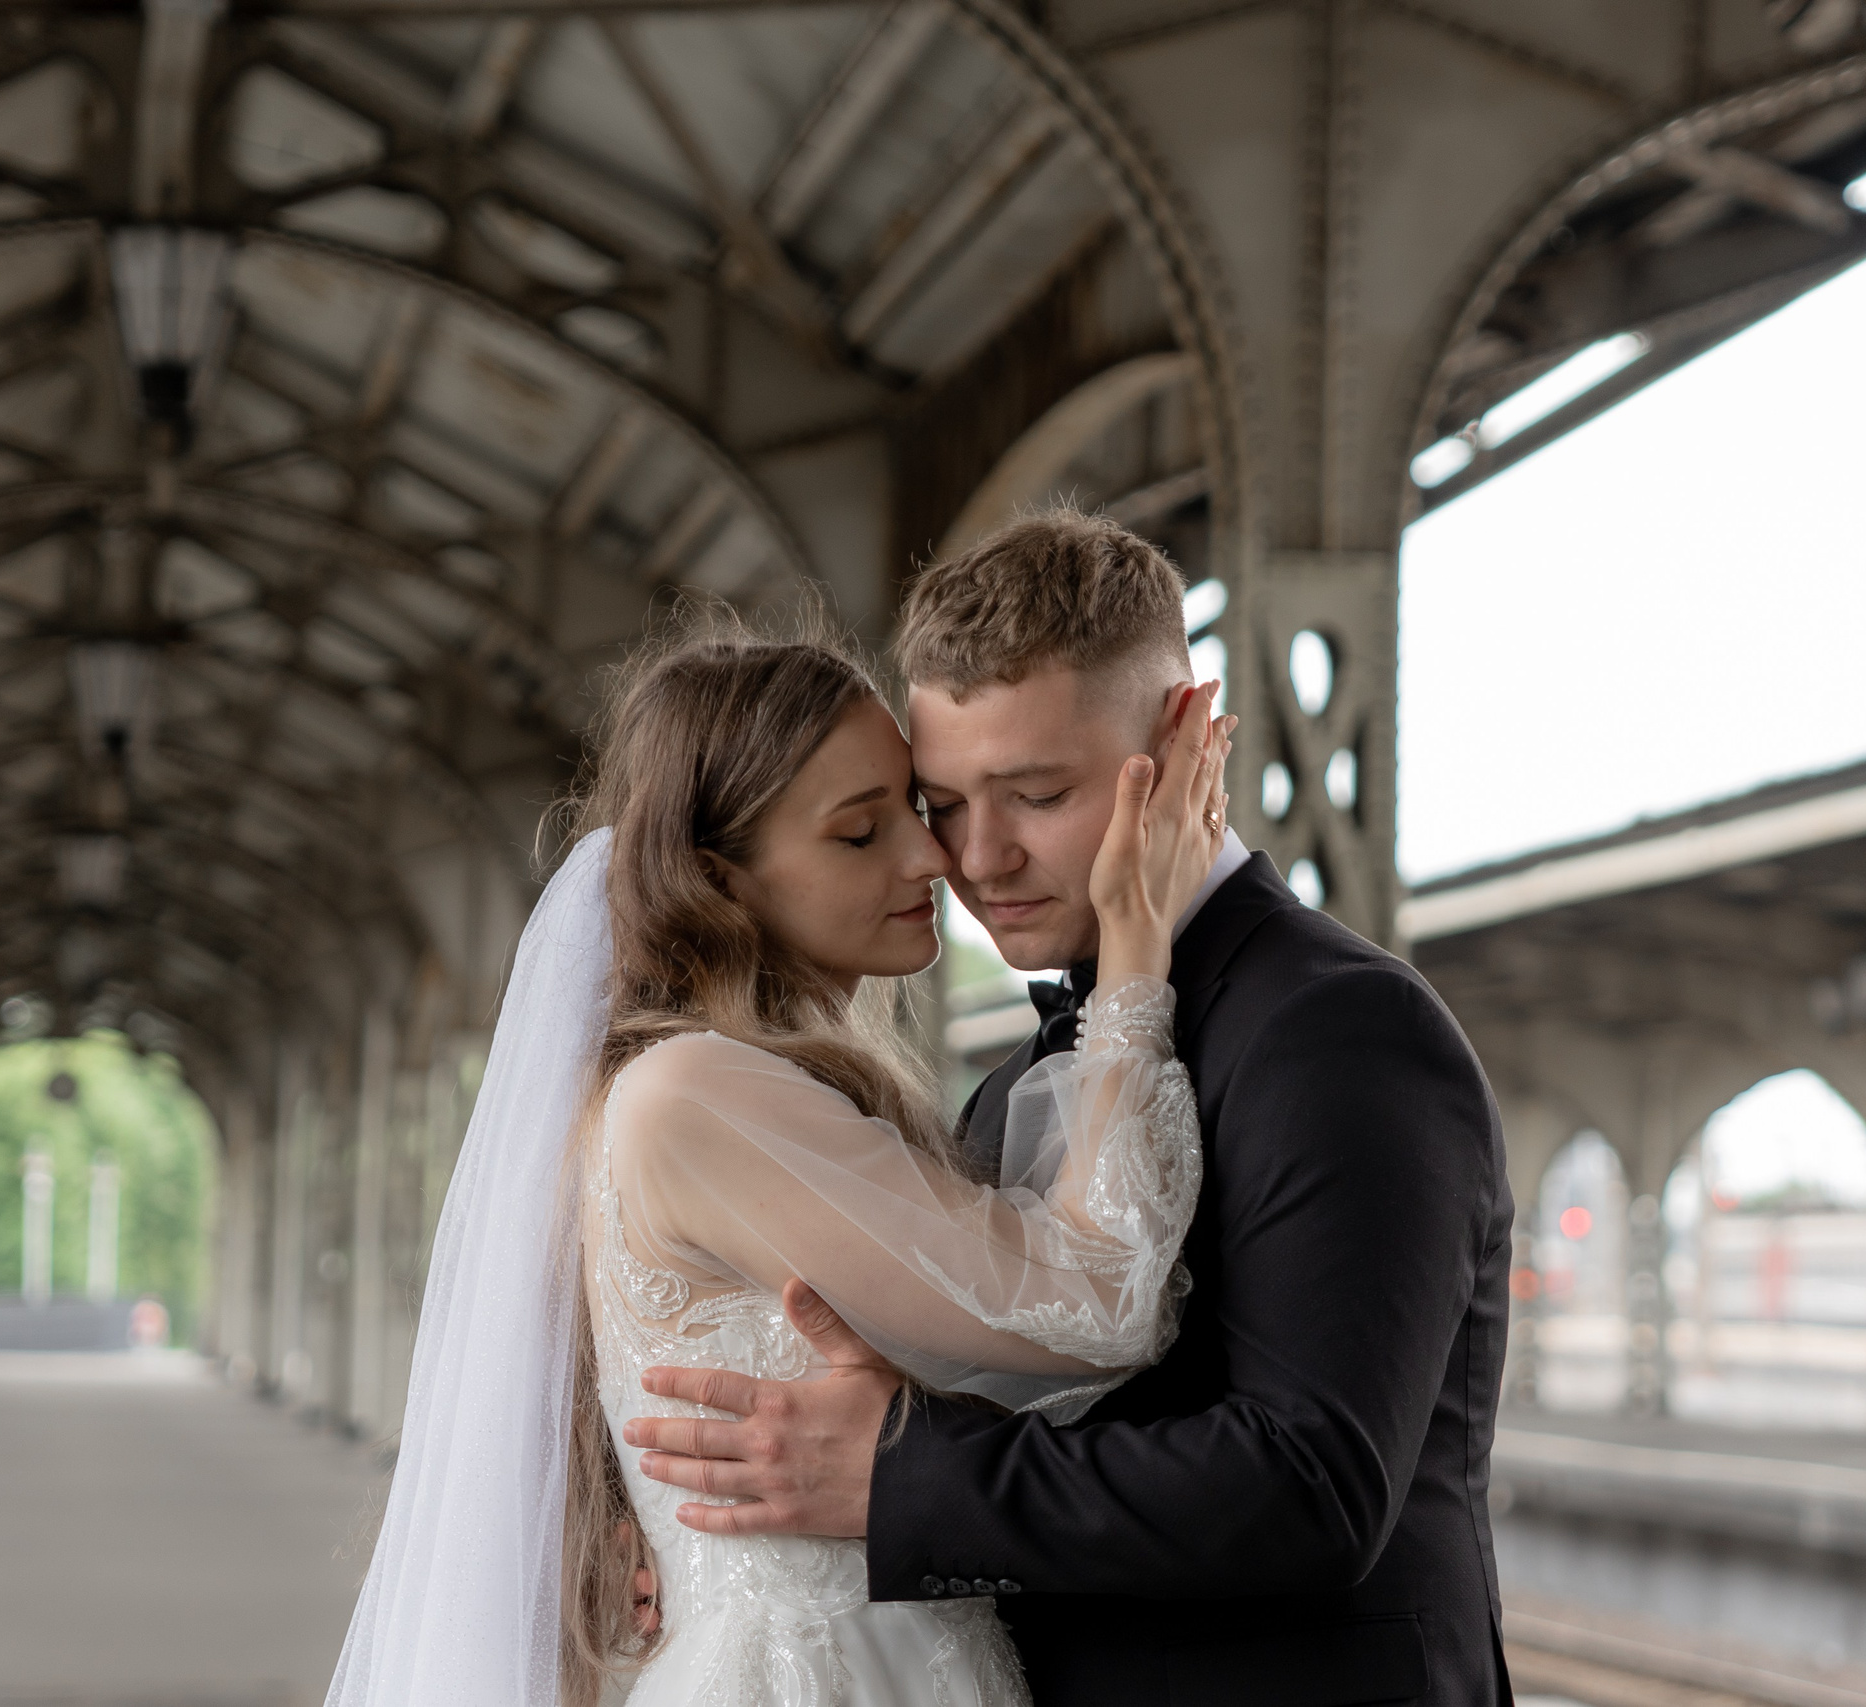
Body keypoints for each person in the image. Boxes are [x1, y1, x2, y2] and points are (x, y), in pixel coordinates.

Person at [625, 510, 1517, 1707]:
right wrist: (750, 1534)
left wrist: (892, 1486)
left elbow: (1312, 1484)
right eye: (941, 802)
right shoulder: (1016, 1087)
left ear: (1187, 735)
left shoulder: (1339, 1030)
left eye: (1035, 792)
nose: (973, 859)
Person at [323, 610, 1234, 1707]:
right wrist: (1135, 950)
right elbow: (1098, 1302)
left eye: (912, 807)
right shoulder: (697, 1094)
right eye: (859, 834)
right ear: (724, 883)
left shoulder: (724, 1089)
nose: (931, 856)